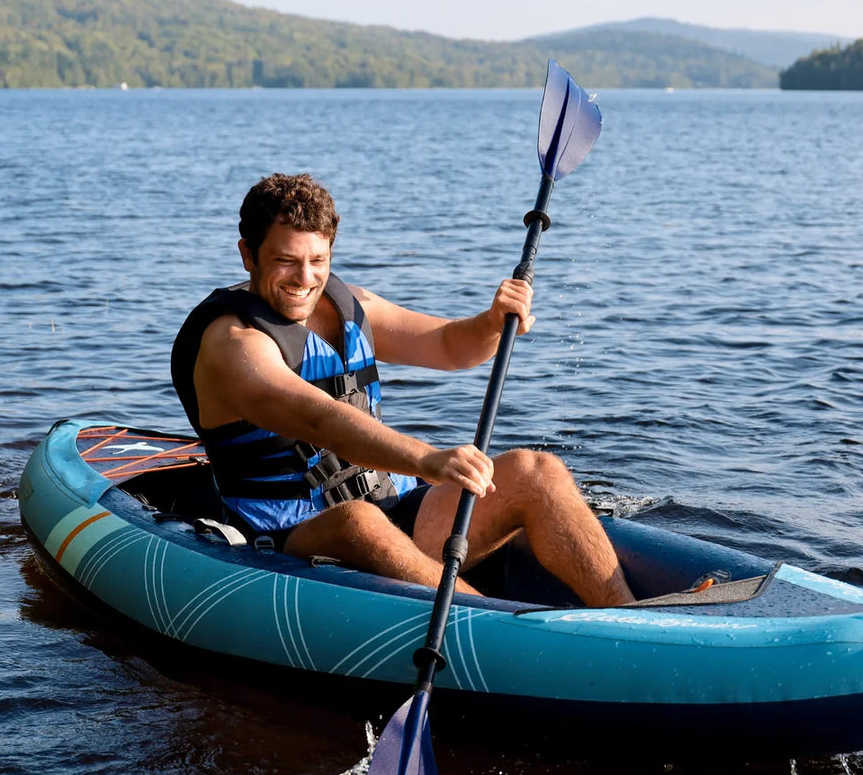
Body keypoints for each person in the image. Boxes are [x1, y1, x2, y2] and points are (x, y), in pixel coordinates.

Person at [171, 172, 634, 607]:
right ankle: (490, 626)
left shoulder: (350, 304)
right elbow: (321, 419)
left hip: (396, 504)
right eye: (285, 261)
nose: (305, 279)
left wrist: (492, 324)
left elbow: (449, 346)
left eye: (318, 260)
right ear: (248, 255)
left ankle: (631, 618)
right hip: (288, 537)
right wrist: (428, 459)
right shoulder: (232, 346)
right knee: (360, 521)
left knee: (538, 470)